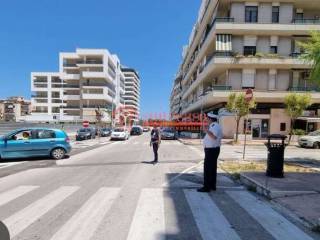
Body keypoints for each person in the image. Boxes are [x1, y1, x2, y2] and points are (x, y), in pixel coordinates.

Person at [197, 112, 223, 192]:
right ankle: (212, 186)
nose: (206, 120)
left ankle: (206, 187)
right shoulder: (214, 126)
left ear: (210, 119)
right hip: (212, 150)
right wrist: (207, 129)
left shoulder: (215, 126)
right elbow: (211, 135)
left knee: (208, 169)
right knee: (212, 168)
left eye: (207, 119)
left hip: (211, 150)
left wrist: (206, 130)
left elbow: (214, 137)